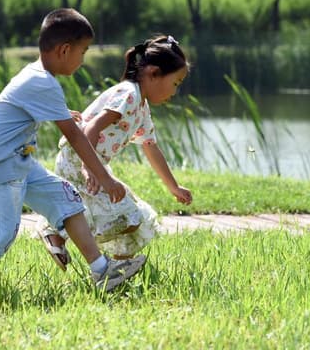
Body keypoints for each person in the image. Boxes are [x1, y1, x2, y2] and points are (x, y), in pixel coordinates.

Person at [0, 8, 146, 294]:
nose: (83, 59)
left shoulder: (38, 76)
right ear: (64, 50)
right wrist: (104, 177)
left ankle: (103, 273)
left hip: (18, 159)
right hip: (1, 163)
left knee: (68, 200)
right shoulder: (42, 82)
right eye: (83, 51)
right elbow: (77, 138)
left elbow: (18, 109)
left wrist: (61, 112)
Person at [36, 35, 193, 267]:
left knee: (135, 217)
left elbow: (150, 146)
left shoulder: (141, 105)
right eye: (175, 83)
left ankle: (121, 267)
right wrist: (90, 169)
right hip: (78, 158)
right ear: (153, 73)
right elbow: (91, 127)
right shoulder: (128, 95)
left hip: (93, 162)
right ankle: (54, 232)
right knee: (122, 215)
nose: (175, 91)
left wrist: (174, 187)